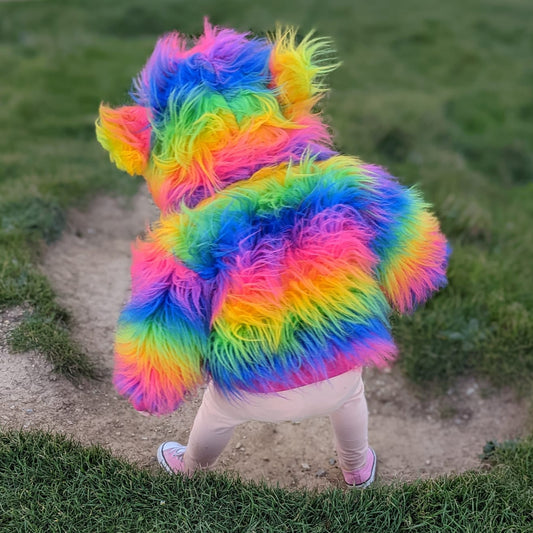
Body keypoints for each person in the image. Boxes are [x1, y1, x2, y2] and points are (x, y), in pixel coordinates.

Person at [96, 20, 449, 488]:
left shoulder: (190, 233)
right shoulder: (344, 182)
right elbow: (417, 244)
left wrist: (152, 384)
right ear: (281, 102)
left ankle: (193, 466)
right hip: (339, 363)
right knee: (352, 401)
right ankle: (357, 466)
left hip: (250, 386)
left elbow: (160, 324)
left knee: (215, 414)